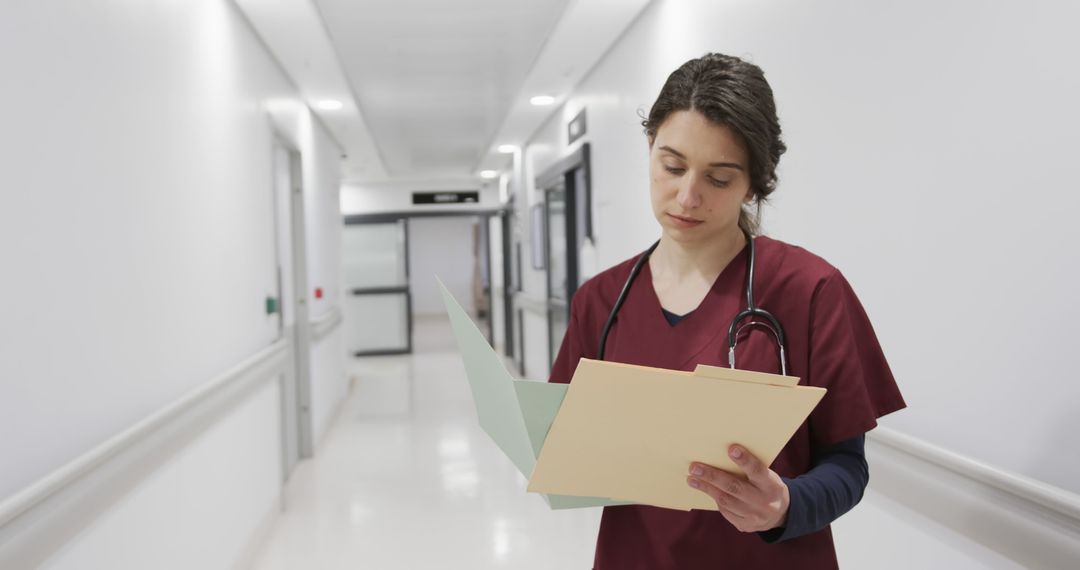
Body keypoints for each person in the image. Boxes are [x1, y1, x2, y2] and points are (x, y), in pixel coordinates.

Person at [549, 53, 906, 569]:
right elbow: (565, 442)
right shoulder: (602, 301)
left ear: (754, 184)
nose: (687, 196)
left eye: (718, 179)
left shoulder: (810, 291)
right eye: (672, 166)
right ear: (649, 147)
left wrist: (784, 505)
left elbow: (847, 467)